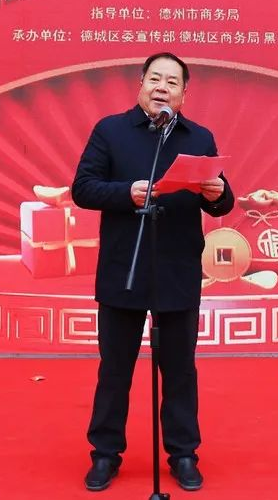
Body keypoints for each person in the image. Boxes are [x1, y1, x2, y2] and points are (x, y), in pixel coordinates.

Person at [72, 52, 234, 492]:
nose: (163, 88)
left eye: (172, 82)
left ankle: (183, 454)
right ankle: (105, 454)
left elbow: (222, 200)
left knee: (179, 371)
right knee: (115, 370)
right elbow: (83, 189)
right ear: (141, 83)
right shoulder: (110, 130)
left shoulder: (198, 136)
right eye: (155, 79)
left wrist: (217, 193)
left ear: (184, 93)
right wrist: (126, 193)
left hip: (177, 269)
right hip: (124, 267)